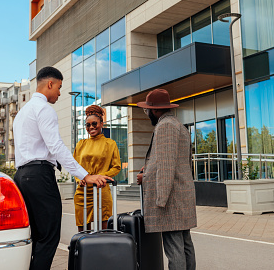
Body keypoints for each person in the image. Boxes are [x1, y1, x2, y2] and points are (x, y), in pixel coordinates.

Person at [13, 66, 112, 270]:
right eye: (59, 87)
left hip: (21, 176)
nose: (59, 92)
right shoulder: (45, 109)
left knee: (34, 236)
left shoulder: (22, 113)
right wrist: (85, 175)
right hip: (40, 176)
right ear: (50, 84)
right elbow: (56, 147)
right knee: (49, 237)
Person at [136, 88, 197, 270]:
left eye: (147, 110)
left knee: (174, 249)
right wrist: (148, 169)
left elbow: (166, 167)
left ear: (155, 110)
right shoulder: (178, 125)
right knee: (185, 245)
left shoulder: (165, 126)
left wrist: (159, 198)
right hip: (181, 195)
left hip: (171, 199)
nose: (147, 113)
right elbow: (174, 161)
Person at [73, 105, 121, 231]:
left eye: (94, 123)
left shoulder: (110, 144)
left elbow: (116, 167)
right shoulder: (81, 144)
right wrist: (79, 179)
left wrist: (101, 176)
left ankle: (102, 251)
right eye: (88, 125)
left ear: (101, 123)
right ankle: (84, 251)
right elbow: (74, 166)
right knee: (83, 233)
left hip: (101, 189)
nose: (91, 127)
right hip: (82, 191)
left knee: (103, 232)